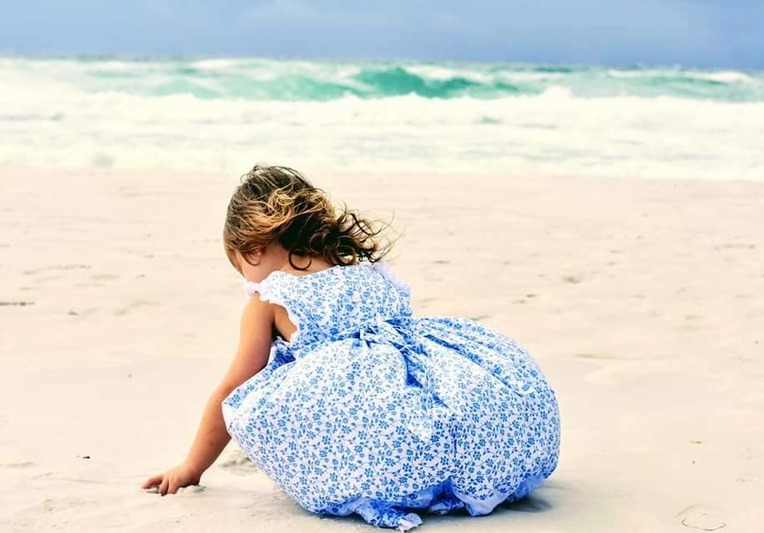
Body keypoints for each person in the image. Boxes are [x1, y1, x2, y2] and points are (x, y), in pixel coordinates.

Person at [142, 165, 560, 530]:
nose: (247, 281)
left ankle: (391, 480)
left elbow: (233, 386)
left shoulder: (270, 298)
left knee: (261, 402)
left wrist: (191, 466)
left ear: (251, 249)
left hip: (376, 431)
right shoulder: (364, 271)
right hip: (421, 392)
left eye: (240, 267)